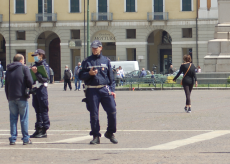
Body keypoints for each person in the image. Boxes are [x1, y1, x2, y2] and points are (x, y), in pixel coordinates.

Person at [79, 40, 118, 145]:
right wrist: (89, 74)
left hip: (105, 89)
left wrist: (112, 91)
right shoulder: (87, 61)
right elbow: (80, 76)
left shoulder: (106, 60)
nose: (94, 49)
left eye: (96, 47)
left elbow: (111, 79)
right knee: (94, 114)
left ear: (101, 48)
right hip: (92, 90)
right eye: (93, 48)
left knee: (112, 111)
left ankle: (110, 132)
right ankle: (96, 136)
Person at [5, 54, 33, 145]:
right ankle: (25, 138)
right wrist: (29, 88)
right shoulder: (24, 68)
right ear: (21, 60)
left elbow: (6, 85)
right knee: (24, 118)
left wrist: (8, 97)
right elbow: (30, 81)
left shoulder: (8, 70)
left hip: (11, 97)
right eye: (23, 60)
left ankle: (13, 139)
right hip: (22, 97)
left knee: (13, 118)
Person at [30, 49, 50, 138]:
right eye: (34, 56)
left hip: (42, 89)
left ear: (41, 55)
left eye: (36, 55)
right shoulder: (34, 65)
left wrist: (36, 73)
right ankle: (38, 128)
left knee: (43, 109)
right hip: (35, 89)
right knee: (37, 109)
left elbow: (46, 79)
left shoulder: (44, 65)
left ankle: (44, 129)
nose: (35, 57)